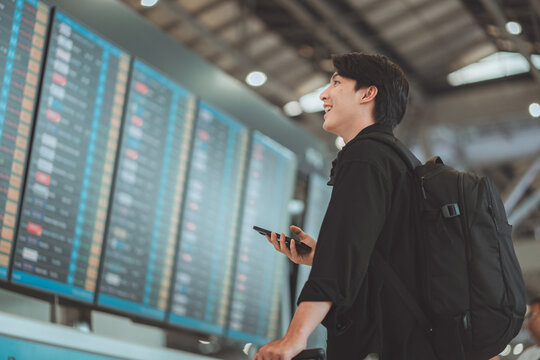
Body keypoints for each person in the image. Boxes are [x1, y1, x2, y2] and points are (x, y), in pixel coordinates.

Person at [254, 52, 437, 360]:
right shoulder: (400, 161)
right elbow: (383, 258)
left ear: (368, 93)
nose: (324, 94)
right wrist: (320, 257)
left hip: (381, 345)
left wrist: (294, 338)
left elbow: (342, 257)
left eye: (336, 83)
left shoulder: (365, 156)